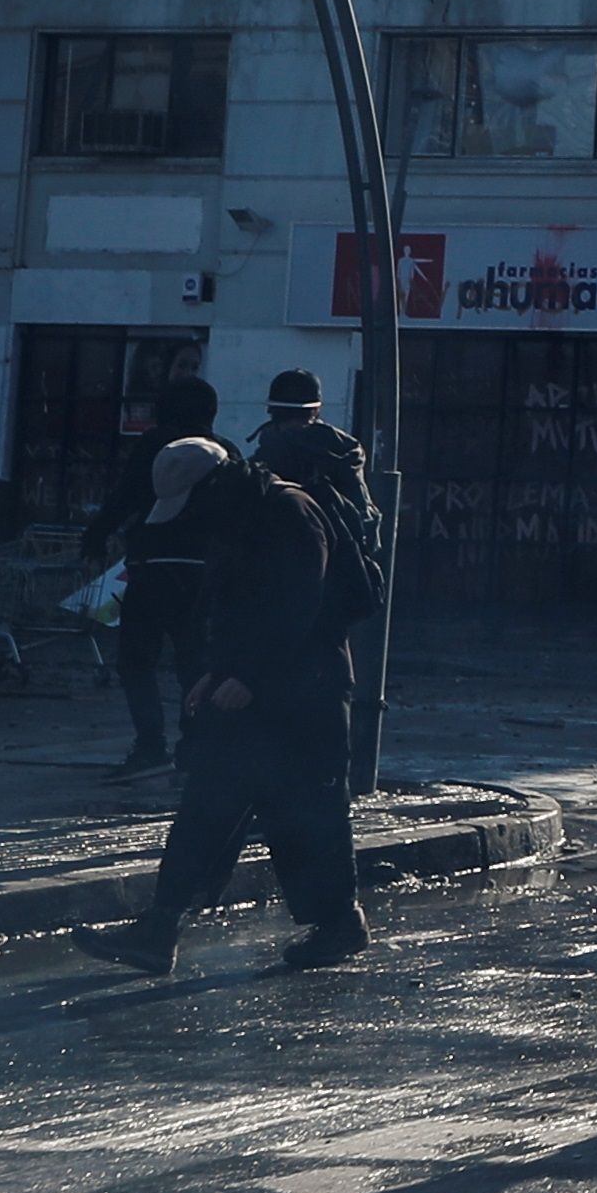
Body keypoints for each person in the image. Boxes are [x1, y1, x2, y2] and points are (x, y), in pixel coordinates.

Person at [75, 438, 378, 976]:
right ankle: (160, 926)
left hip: (306, 693)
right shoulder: (238, 515)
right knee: (207, 803)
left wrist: (249, 675)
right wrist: (219, 670)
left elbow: (299, 605)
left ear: (214, 484)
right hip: (253, 688)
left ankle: (339, 924)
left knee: (308, 814)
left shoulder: (288, 511)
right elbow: (235, 608)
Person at [78, 370, 226, 777]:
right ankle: (194, 745)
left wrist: (94, 539)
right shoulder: (225, 452)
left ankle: (149, 746)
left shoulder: (156, 445)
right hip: (205, 573)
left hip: (152, 567)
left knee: (136, 662)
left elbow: (123, 497)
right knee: (194, 662)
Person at [251, 368, 375, 536]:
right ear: (316, 410)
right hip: (340, 556)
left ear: (271, 412)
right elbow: (363, 514)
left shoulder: (267, 454)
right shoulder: (345, 451)